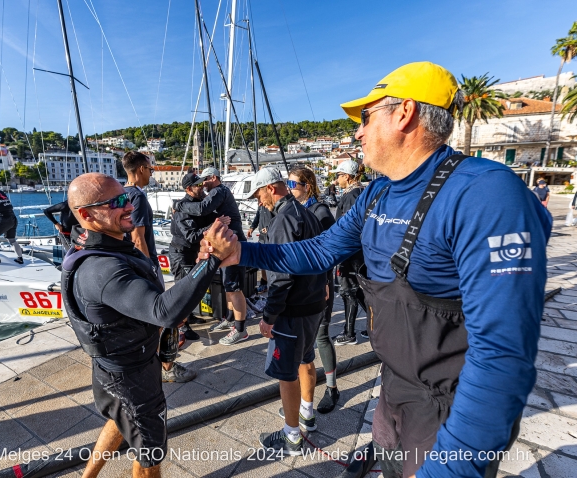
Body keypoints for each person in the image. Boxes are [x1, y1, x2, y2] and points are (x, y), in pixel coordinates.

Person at [199, 61, 552, 477]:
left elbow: (502, 355)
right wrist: (243, 253)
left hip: (452, 405)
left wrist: (454, 467)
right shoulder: (379, 192)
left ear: (405, 113)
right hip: (394, 389)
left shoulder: (485, 193)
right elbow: (319, 251)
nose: (358, 132)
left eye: (366, 118)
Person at [61, 173, 228, 478]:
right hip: (127, 375)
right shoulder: (102, 269)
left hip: (125, 367)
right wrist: (213, 259)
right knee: (150, 451)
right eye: (115, 203)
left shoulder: (106, 245)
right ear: (86, 215)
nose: (127, 206)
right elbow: (162, 311)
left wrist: (202, 258)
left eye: (125, 197)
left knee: (122, 420)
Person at [246, 167, 327, 455]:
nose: (259, 201)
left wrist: (269, 317)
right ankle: (307, 413)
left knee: (287, 373)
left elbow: (281, 277)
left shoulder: (283, 220)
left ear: (271, 188)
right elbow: (321, 254)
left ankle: (292, 436)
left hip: (292, 310)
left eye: (259, 193)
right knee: (306, 359)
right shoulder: (306, 212)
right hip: (314, 302)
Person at [122, 151, 196, 383]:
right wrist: (151, 271)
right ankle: (168, 367)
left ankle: (150, 363)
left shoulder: (120, 194)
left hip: (127, 267)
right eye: (151, 170)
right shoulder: (138, 197)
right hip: (143, 266)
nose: (151, 175)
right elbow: (138, 238)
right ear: (141, 169)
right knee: (163, 318)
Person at [287, 165, 341, 414]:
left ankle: (331, 388)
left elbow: (328, 253)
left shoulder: (320, 212)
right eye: (287, 184)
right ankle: (304, 395)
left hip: (320, 286)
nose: (289, 189)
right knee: (304, 344)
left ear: (307, 186)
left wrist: (326, 284)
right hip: (302, 288)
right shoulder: (295, 210)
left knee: (320, 336)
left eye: (292, 184)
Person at [174, 166, 248, 345]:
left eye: (204, 180)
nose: (203, 184)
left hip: (232, 245)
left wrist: (177, 204)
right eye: (199, 182)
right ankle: (230, 319)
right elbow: (202, 219)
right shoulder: (217, 192)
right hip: (226, 245)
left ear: (213, 177)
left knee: (233, 287)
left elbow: (202, 209)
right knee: (228, 285)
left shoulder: (218, 191)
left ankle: (240, 329)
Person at [168, 172, 226, 331]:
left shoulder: (198, 203)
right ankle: (181, 327)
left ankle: (189, 316)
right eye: (198, 185)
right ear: (188, 189)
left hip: (192, 253)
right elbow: (192, 236)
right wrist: (214, 225)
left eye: (202, 184)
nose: (202, 187)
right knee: (182, 290)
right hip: (181, 254)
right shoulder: (183, 208)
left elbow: (210, 217)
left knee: (191, 289)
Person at [332, 159, 368, 345]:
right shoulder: (361, 192)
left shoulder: (352, 195)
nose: (336, 180)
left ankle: (349, 333)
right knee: (359, 290)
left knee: (348, 291)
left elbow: (348, 228)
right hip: (359, 252)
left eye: (338, 176)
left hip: (350, 253)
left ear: (346, 176)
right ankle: (373, 326)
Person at [247, 205, 273, 291]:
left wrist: (269, 228)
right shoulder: (261, 206)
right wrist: (252, 228)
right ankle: (264, 283)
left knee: (270, 261)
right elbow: (257, 217)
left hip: (272, 237)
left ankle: (272, 284)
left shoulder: (273, 205)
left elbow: (279, 218)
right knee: (262, 261)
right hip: (262, 237)